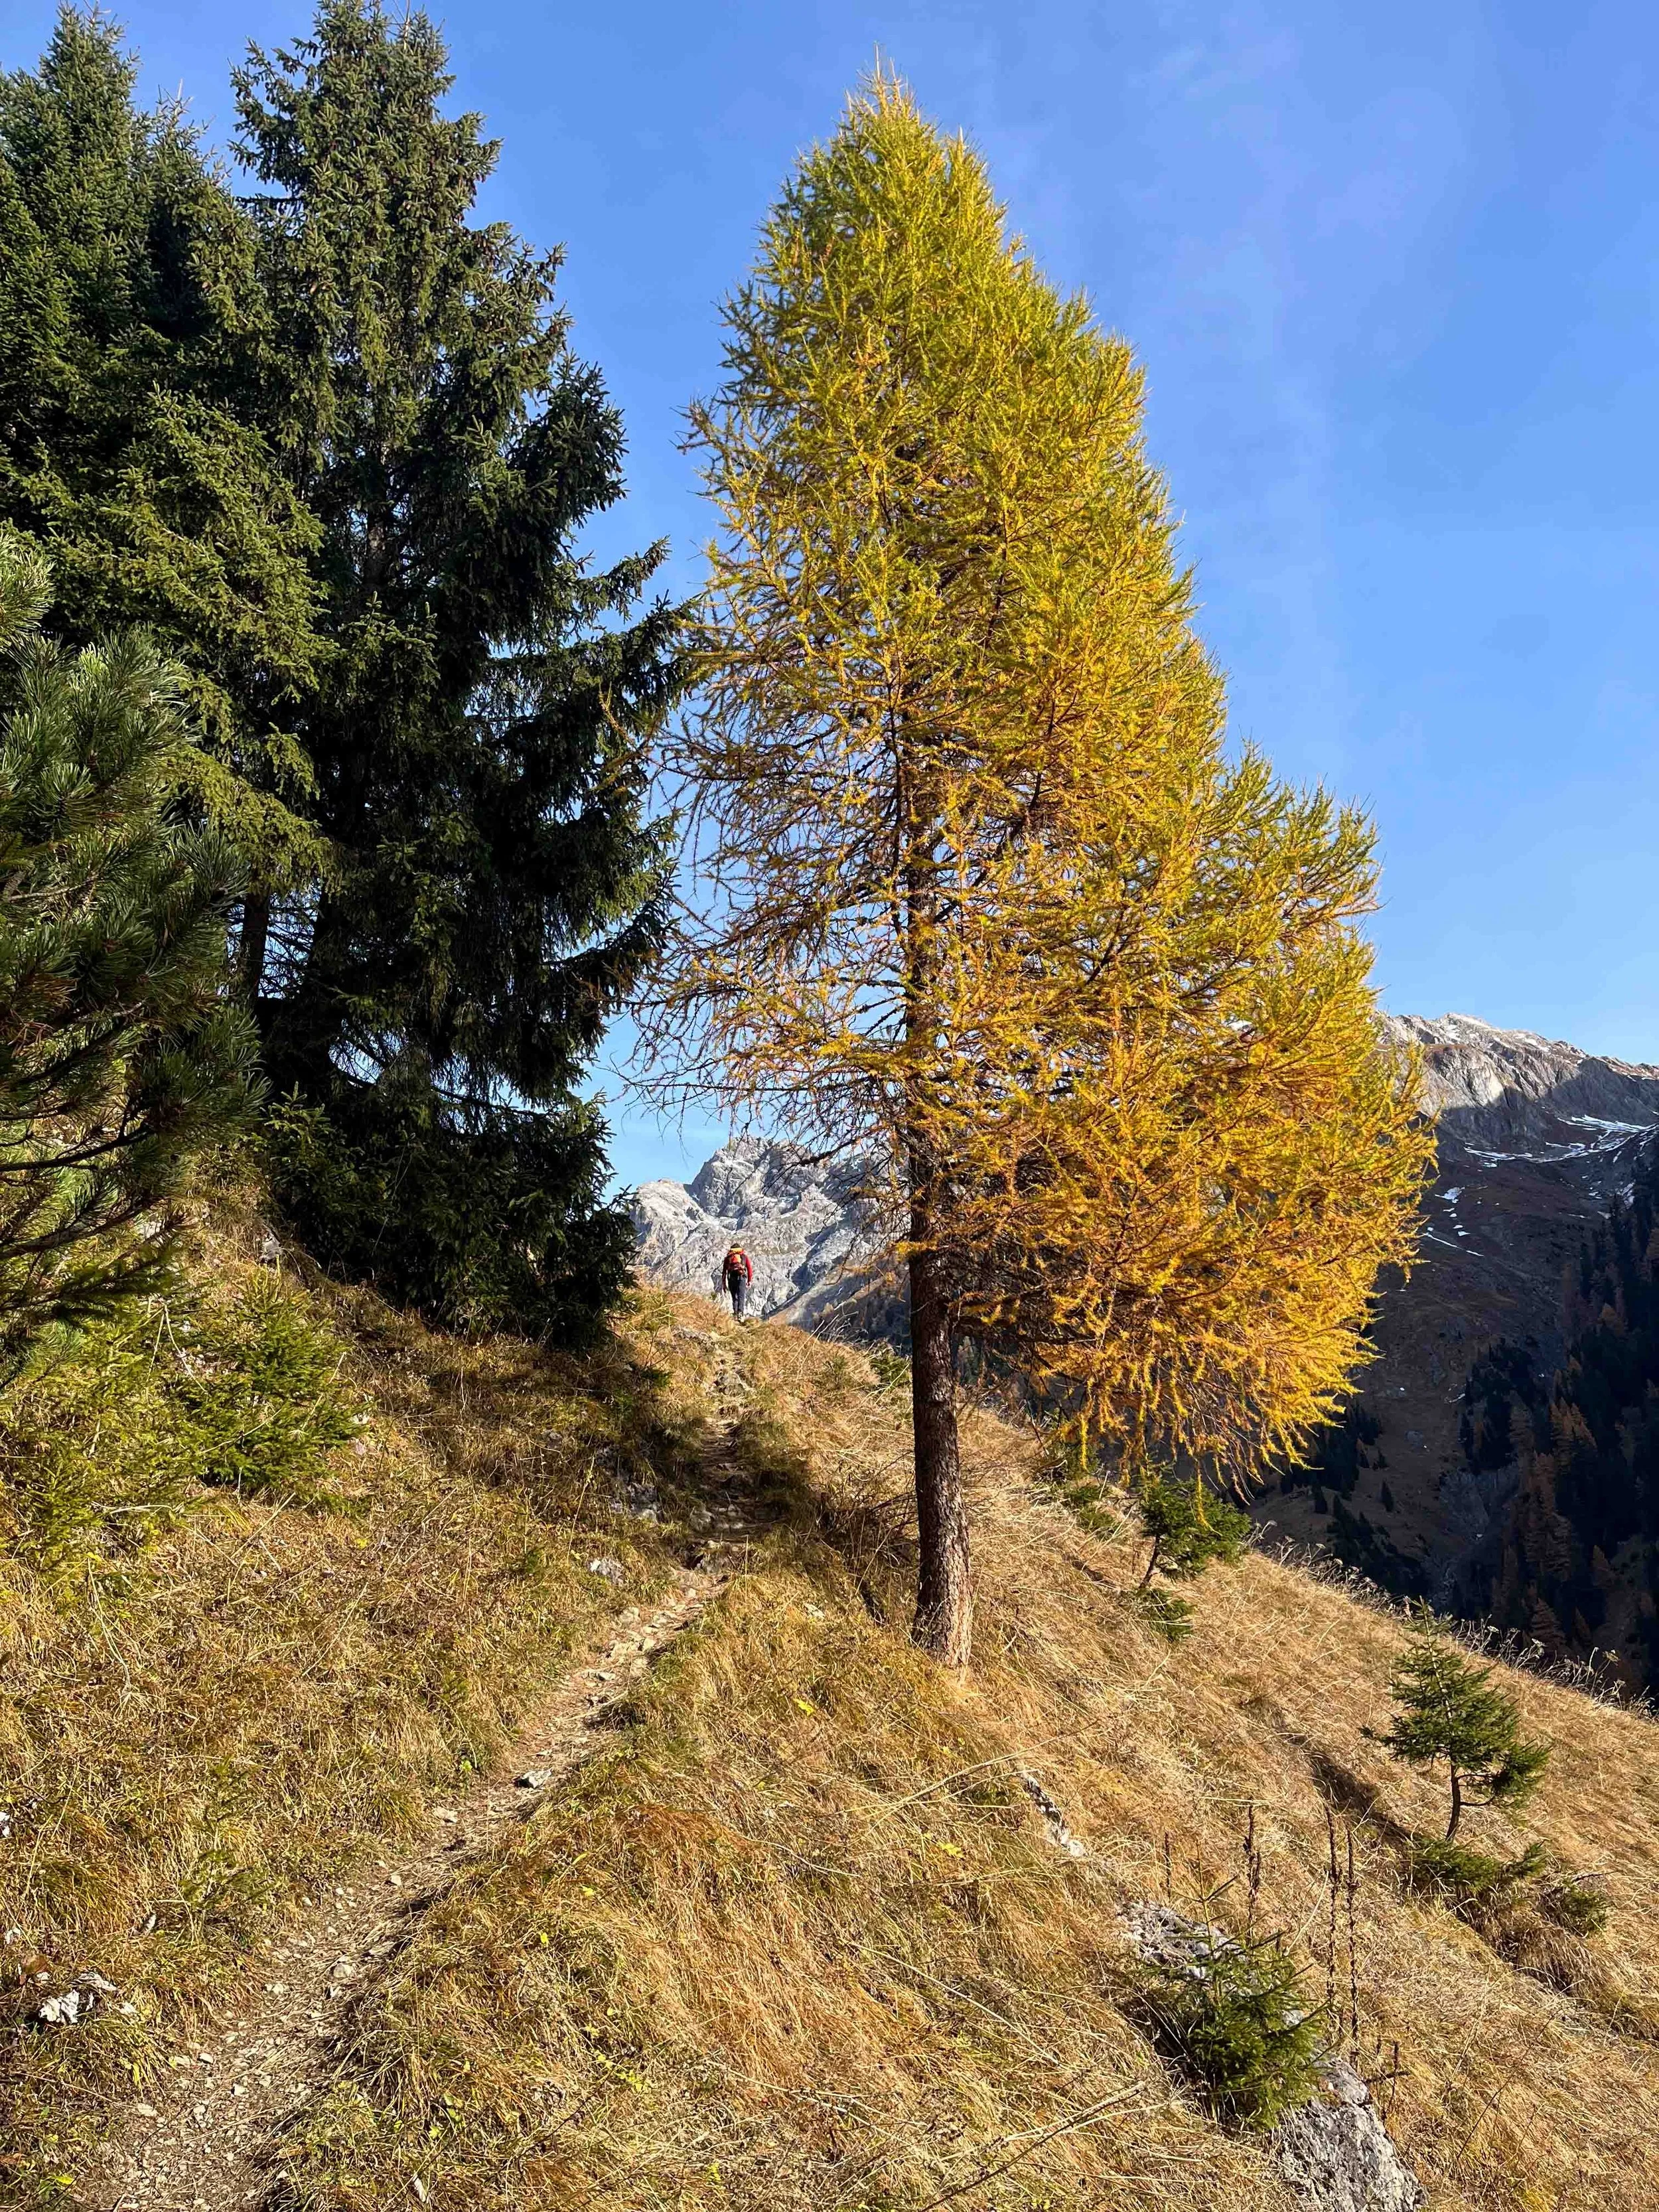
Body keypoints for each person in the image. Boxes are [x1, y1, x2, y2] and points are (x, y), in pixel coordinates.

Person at [722, 1244, 755, 1323]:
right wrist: (749, 1280)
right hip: (741, 1278)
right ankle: (740, 1314)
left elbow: (724, 1272)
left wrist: (724, 1284)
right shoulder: (744, 1257)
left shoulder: (728, 1258)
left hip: (731, 1278)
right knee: (741, 1296)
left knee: (735, 1297)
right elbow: (749, 1269)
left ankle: (735, 1314)